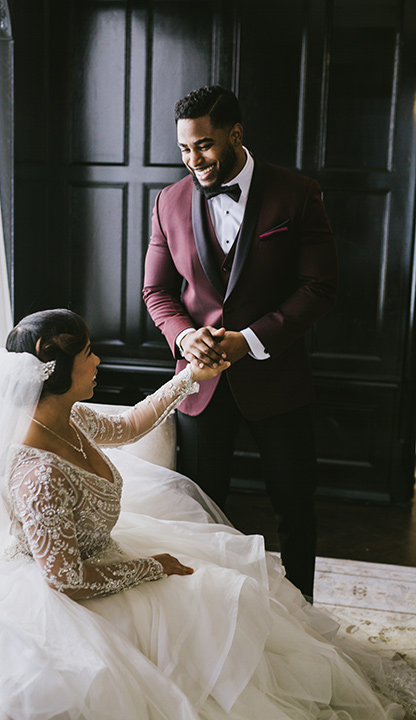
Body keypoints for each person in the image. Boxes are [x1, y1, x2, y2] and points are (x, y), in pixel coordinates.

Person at [0, 309, 408, 720]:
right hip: (65, 592)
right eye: (89, 354)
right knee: (212, 605)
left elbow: (128, 425)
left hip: (101, 553)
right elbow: (66, 580)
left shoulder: (67, 415)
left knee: (230, 591)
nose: (98, 360)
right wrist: (153, 566)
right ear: (57, 371)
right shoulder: (36, 474)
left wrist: (190, 377)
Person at [143, 84, 338, 601]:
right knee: (201, 512)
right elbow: (157, 290)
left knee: (294, 506)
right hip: (200, 387)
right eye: (184, 149)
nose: (194, 160)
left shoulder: (296, 193)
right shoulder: (168, 202)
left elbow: (320, 287)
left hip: (278, 380)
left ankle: (304, 616)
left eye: (204, 145)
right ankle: (215, 620)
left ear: (235, 133)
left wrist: (249, 340)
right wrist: (185, 337)